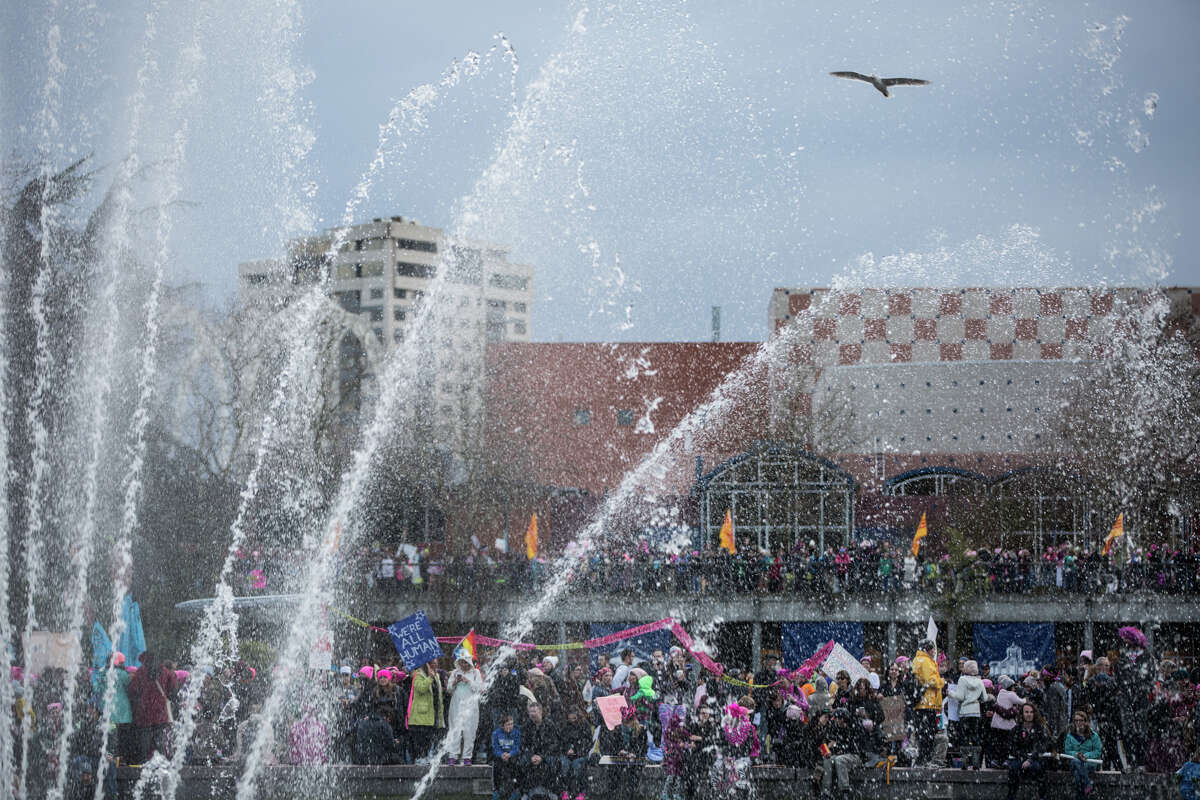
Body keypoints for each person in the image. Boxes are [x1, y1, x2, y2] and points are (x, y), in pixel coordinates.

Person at [126, 650, 180, 762]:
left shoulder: (141, 672)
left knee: (144, 739)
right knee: (159, 739)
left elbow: (132, 689)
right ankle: (161, 762)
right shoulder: (165, 671)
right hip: (160, 711)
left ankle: (142, 762)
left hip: (144, 711)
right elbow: (173, 687)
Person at [598, 706, 648, 800]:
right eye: (624, 722)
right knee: (613, 773)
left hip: (635, 760)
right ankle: (612, 795)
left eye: (628, 722)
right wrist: (620, 751)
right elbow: (614, 745)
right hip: (620, 759)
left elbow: (642, 747)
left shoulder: (641, 730)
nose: (626, 725)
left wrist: (634, 753)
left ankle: (630, 795)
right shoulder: (618, 729)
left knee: (633, 776)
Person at [1005, 703, 1049, 800]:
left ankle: (1042, 796)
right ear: (1022, 714)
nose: (1029, 714)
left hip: (1035, 759)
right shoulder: (1016, 730)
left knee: (1039, 768)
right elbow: (1012, 747)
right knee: (1013, 769)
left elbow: (1042, 746)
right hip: (1019, 758)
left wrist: (1030, 760)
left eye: (1031, 712)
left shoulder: (1040, 729)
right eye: (1026, 712)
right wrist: (1023, 757)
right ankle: (1011, 796)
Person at [911, 640, 945, 766]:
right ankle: (925, 759)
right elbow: (930, 680)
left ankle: (923, 759)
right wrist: (942, 682)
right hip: (927, 703)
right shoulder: (924, 661)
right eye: (933, 649)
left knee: (924, 733)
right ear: (927, 649)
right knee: (928, 733)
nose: (934, 652)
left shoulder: (920, 659)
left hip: (924, 703)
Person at [405, 662, 445, 765]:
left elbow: (438, 694)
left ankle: (426, 758)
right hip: (420, 715)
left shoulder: (436, 675)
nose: (436, 664)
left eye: (436, 662)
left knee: (429, 740)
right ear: (427, 664)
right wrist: (430, 678)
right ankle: (419, 759)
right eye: (433, 662)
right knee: (420, 740)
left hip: (433, 713)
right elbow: (421, 688)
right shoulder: (418, 675)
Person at [446, 656, 484, 765]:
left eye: (466, 663)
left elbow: (479, 688)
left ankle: (467, 756)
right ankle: (452, 756)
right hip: (456, 705)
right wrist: (455, 682)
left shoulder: (475, 673)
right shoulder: (454, 673)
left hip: (471, 706)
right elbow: (448, 689)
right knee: (455, 731)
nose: (464, 665)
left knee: (469, 731)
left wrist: (468, 681)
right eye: (462, 663)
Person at [948, 659, 984, 769]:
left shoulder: (962, 680)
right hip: (976, 712)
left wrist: (950, 693)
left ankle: (965, 763)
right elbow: (985, 697)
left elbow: (960, 697)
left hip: (964, 712)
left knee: (964, 737)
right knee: (975, 736)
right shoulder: (980, 681)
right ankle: (976, 762)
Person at [520, 702, 561, 798]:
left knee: (553, 764)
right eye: (530, 712)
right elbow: (523, 745)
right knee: (522, 762)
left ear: (541, 712)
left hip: (546, 755)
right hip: (531, 755)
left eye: (534, 711)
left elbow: (554, 744)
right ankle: (526, 793)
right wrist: (531, 756)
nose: (532, 714)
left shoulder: (549, 725)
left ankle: (551, 792)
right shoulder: (527, 726)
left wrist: (542, 756)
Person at [1062, 709, 1102, 800]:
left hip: (1089, 763)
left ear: (1086, 721)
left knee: (1077, 774)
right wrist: (1076, 754)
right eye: (1076, 720)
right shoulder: (1070, 735)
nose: (1078, 722)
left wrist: (1086, 755)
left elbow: (1098, 751)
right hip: (1075, 761)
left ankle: (1080, 796)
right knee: (1076, 761)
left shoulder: (1093, 735)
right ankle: (1088, 787)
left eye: (1081, 720)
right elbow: (1067, 750)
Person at [558, 704, 594, 800]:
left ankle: (581, 791)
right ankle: (565, 791)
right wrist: (567, 749)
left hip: (580, 753)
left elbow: (588, 742)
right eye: (570, 719)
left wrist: (576, 750)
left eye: (574, 718)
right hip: (567, 754)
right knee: (563, 764)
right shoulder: (565, 726)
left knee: (577, 765)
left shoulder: (584, 726)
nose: (572, 721)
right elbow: (561, 741)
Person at [490, 715, 521, 800]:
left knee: (516, 765)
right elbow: (495, 747)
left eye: (511, 724)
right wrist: (501, 754)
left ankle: (515, 790)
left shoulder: (516, 733)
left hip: (512, 756)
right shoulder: (496, 733)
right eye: (508, 724)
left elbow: (517, 747)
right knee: (496, 766)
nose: (510, 726)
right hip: (500, 756)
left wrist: (510, 754)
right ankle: (496, 790)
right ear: (503, 725)